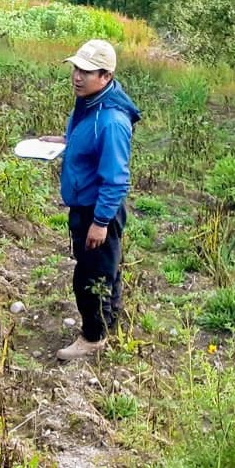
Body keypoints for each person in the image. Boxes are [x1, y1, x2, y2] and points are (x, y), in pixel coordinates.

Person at [42, 39, 141, 361]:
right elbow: (87, 142)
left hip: (96, 211)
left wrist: (99, 223)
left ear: (106, 76)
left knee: (90, 277)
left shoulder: (112, 120)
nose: (77, 76)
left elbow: (115, 179)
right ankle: (109, 320)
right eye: (75, 68)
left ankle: (93, 337)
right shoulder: (89, 104)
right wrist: (63, 141)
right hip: (87, 207)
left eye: (86, 71)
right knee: (104, 270)